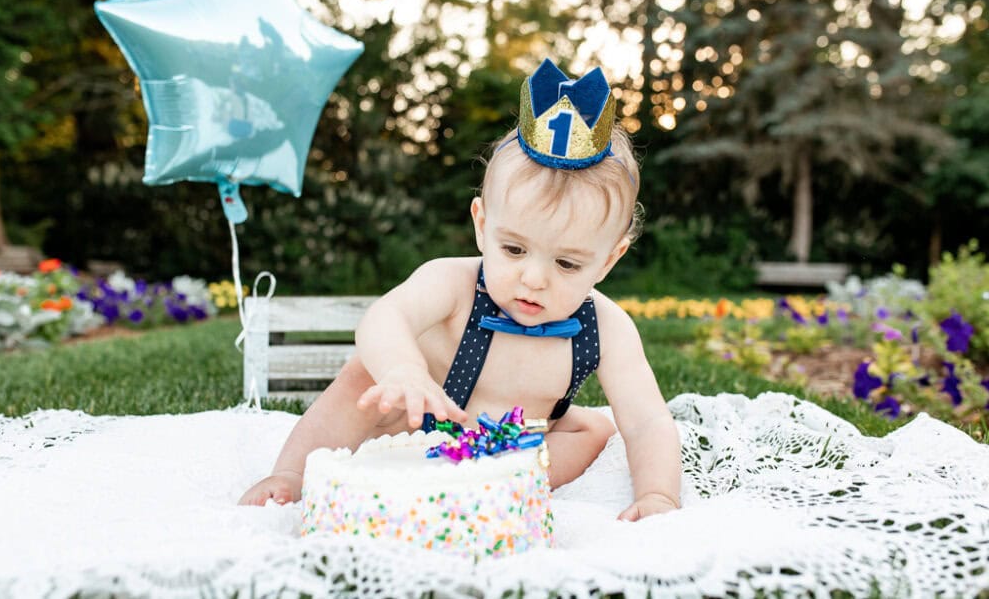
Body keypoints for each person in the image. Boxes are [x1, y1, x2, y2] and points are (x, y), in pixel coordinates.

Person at [239, 59, 682, 521]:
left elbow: (647, 420)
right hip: (416, 430)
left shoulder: (605, 327)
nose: (534, 278)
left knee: (594, 430)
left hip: (514, 443)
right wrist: (404, 370)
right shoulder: (452, 283)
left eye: (567, 263)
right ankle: (293, 472)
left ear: (609, 259)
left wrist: (658, 495)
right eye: (513, 250)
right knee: (362, 380)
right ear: (482, 225)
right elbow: (384, 318)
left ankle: (502, 486)